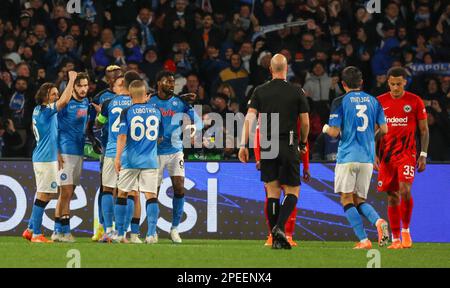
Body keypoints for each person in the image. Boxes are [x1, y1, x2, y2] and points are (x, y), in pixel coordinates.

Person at [239, 54, 310, 250]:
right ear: (286, 69)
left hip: (267, 145)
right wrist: (303, 142)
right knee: (292, 190)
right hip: (288, 143)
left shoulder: (259, 91)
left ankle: (275, 236)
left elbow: (249, 119)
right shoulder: (297, 91)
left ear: (270, 69)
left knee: (272, 193)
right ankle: (280, 228)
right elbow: (305, 122)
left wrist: (243, 145)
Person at [322, 66, 389, 250]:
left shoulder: (339, 101)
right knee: (360, 200)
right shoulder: (374, 101)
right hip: (367, 158)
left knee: (346, 199)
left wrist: (325, 128)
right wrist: (369, 136)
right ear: (361, 82)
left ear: (343, 84)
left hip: (348, 157)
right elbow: (384, 130)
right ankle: (378, 221)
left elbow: (334, 132)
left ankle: (364, 240)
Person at [376, 67, 429, 249]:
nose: (396, 87)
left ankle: (406, 231)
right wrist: (374, 154)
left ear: (405, 82)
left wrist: (423, 154)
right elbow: (375, 132)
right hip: (386, 155)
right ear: (388, 83)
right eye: (392, 84)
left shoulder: (414, 101)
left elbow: (423, 130)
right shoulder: (380, 102)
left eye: (399, 84)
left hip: (407, 153)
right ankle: (396, 238)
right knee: (392, 196)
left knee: (405, 190)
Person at [147, 70, 202, 244]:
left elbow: (198, 123)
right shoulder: (150, 101)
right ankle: (151, 231)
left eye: (173, 82)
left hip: (175, 150)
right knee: (152, 192)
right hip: (154, 152)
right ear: (158, 83)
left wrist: (189, 132)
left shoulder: (180, 102)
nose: (171, 85)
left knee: (179, 187)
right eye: (167, 81)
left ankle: (175, 228)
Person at [22, 71, 77, 243]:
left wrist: (58, 153)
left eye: (56, 93)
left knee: (43, 194)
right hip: (45, 159)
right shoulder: (46, 111)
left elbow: (51, 135)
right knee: (44, 195)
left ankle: (30, 228)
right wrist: (72, 79)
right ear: (45, 96)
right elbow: (65, 101)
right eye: (53, 94)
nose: (57, 96)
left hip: (44, 156)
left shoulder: (39, 110)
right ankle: (37, 234)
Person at [95, 71, 142, 243]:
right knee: (129, 192)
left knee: (108, 189)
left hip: (112, 150)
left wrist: (101, 116)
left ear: (120, 85)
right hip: (132, 152)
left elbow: (98, 123)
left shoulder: (108, 102)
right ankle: (123, 233)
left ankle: (109, 231)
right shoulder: (137, 103)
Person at [114, 80, 163, 244]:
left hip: (130, 160)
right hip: (150, 160)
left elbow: (122, 136)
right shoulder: (156, 111)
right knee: (151, 196)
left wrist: (117, 157)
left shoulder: (127, 112)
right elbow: (159, 137)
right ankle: (150, 234)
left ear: (129, 95)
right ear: (145, 94)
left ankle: (120, 233)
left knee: (122, 193)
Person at [254, 118, 311, 247]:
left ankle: (278, 235)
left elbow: (258, 134)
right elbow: (304, 136)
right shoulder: (295, 107)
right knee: (289, 194)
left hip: (271, 154)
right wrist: (306, 165)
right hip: (288, 154)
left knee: (274, 195)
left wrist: (259, 158)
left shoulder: (268, 106)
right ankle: (281, 234)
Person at [53, 73, 90, 243]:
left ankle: (57, 230)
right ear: (73, 87)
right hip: (66, 152)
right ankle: (65, 231)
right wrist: (57, 152)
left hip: (79, 152)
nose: (83, 89)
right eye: (80, 85)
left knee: (68, 193)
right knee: (66, 192)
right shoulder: (65, 104)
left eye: (85, 85)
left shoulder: (86, 102)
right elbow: (55, 129)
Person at [88, 65, 123, 242]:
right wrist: (94, 142)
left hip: (119, 149)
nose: (115, 77)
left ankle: (115, 228)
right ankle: (101, 227)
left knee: (118, 190)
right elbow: (90, 125)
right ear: (108, 79)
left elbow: (98, 121)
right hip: (108, 148)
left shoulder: (126, 96)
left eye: (118, 75)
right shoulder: (100, 97)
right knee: (106, 188)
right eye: (112, 75)